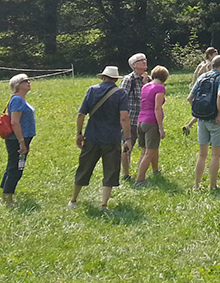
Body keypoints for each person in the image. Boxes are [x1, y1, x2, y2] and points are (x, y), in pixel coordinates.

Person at [71, 66, 132, 210]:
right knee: (110, 170)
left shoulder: (92, 90)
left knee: (84, 167)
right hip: (112, 138)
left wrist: (79, 133)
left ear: (103, 77)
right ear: (116, 79)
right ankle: (104, 203)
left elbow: (81, 115)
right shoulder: (121, 93)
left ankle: (73, 199)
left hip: (91, 136)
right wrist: (128, 138)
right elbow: (124, 117)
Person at [192, 55, 220, 190]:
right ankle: (212, 186)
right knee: (215, 154)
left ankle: (196, 185)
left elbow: (190, 97)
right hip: (215, 120)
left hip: (201, 119)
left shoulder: (202, 77)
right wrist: (218, 114)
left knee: (202, 154)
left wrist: (198, 112)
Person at [0, 73, 35, 207]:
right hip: (17, 139)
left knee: (13, 165)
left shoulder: (21, 99)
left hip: (22, 138)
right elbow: (15, 122)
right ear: (17, 85)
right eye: (24, 81)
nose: (28, 82)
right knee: (16, 168)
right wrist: (21, 142)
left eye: (28, 80)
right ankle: (8, 198)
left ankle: (5, 192)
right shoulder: (17, 100)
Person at [133, 65, 169, 187]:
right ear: (165, 77)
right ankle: (139, 180)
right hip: (151, 122)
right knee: (150, 152)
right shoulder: (160, 88)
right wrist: (160, 127)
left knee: (144, 151)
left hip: (140, 120)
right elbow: (157, 108)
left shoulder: (145, 87)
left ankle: (144, 174)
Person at [119, 53, 151, 181]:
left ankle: (141, 173)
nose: (144, 62)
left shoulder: (148, 79)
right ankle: (126, 174)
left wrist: (145, 83)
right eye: (140, 60)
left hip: (145, 119)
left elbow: (151, 98)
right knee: (128, 147)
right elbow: (121, 98)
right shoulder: (128, 79)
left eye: (145, 59)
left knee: (146, 148)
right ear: (133, 65)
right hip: (131, 119)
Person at [182, 47, 218, 136]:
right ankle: (206, 130)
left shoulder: (202, 63)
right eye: (215, 54)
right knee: (205, 111)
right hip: (203, 90)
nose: (217, 55)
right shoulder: (209, 65)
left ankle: (188, 126)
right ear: (210, 55)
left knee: (201, 111)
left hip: (196, 89)